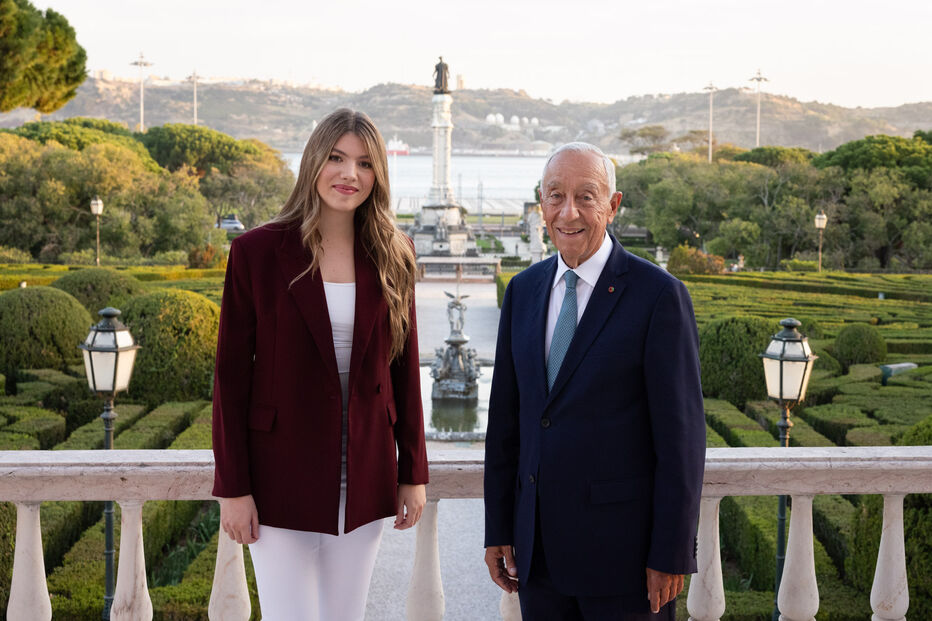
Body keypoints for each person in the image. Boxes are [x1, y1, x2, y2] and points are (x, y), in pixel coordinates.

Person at [212, 108, 428, 621]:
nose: (348, 174)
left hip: (367, 478)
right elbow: (231, 378)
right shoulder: (257, 253)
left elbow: (405, 369)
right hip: (278, 477)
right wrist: (234, 489)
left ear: (378, 176)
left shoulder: (395, 254)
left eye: (364, 163)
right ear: (313, 161)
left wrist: (412, 472)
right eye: (335, 158)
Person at [484, 142, 705, 620]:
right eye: (555, 196)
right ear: (540, 203)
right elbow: (506, 421)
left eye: (586, 196)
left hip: (624, 562)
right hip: (536, 559)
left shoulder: (659, 296)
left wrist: (670, 554)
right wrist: (499, 528)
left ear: (613, 204)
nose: (569, 212)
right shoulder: (523, 291)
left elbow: (681, 440)